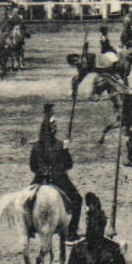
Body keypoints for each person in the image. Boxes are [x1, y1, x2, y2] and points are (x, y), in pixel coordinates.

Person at [30, 103, 82, 240]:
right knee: (77, 199)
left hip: (40, 179)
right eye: (55, 125)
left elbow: (33, 167)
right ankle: (71, 232)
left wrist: (42, 171)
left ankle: (29, 228)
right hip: (59, 179)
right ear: (52, 128)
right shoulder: (60, 145)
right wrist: (66, 149)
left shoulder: (35, 146)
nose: (56, 127)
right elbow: (68, 165)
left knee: (27, 200)